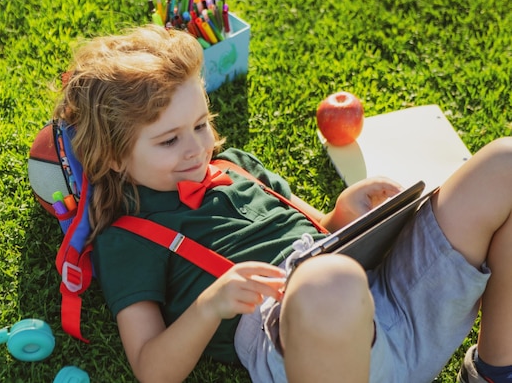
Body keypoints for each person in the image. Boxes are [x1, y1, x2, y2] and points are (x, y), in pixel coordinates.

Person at [54, 24, 512, 383]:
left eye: (200, 124)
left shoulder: (235, 165)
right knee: (328, 282)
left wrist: (341, 215)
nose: (195, 148)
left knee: (504, 162)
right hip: (306, 341)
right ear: (114, 156)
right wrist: (211, 305)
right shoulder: (129, 234)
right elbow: (151, 368)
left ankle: (495, 370)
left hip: (389, 295)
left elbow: (320, 237)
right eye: (169, 140)